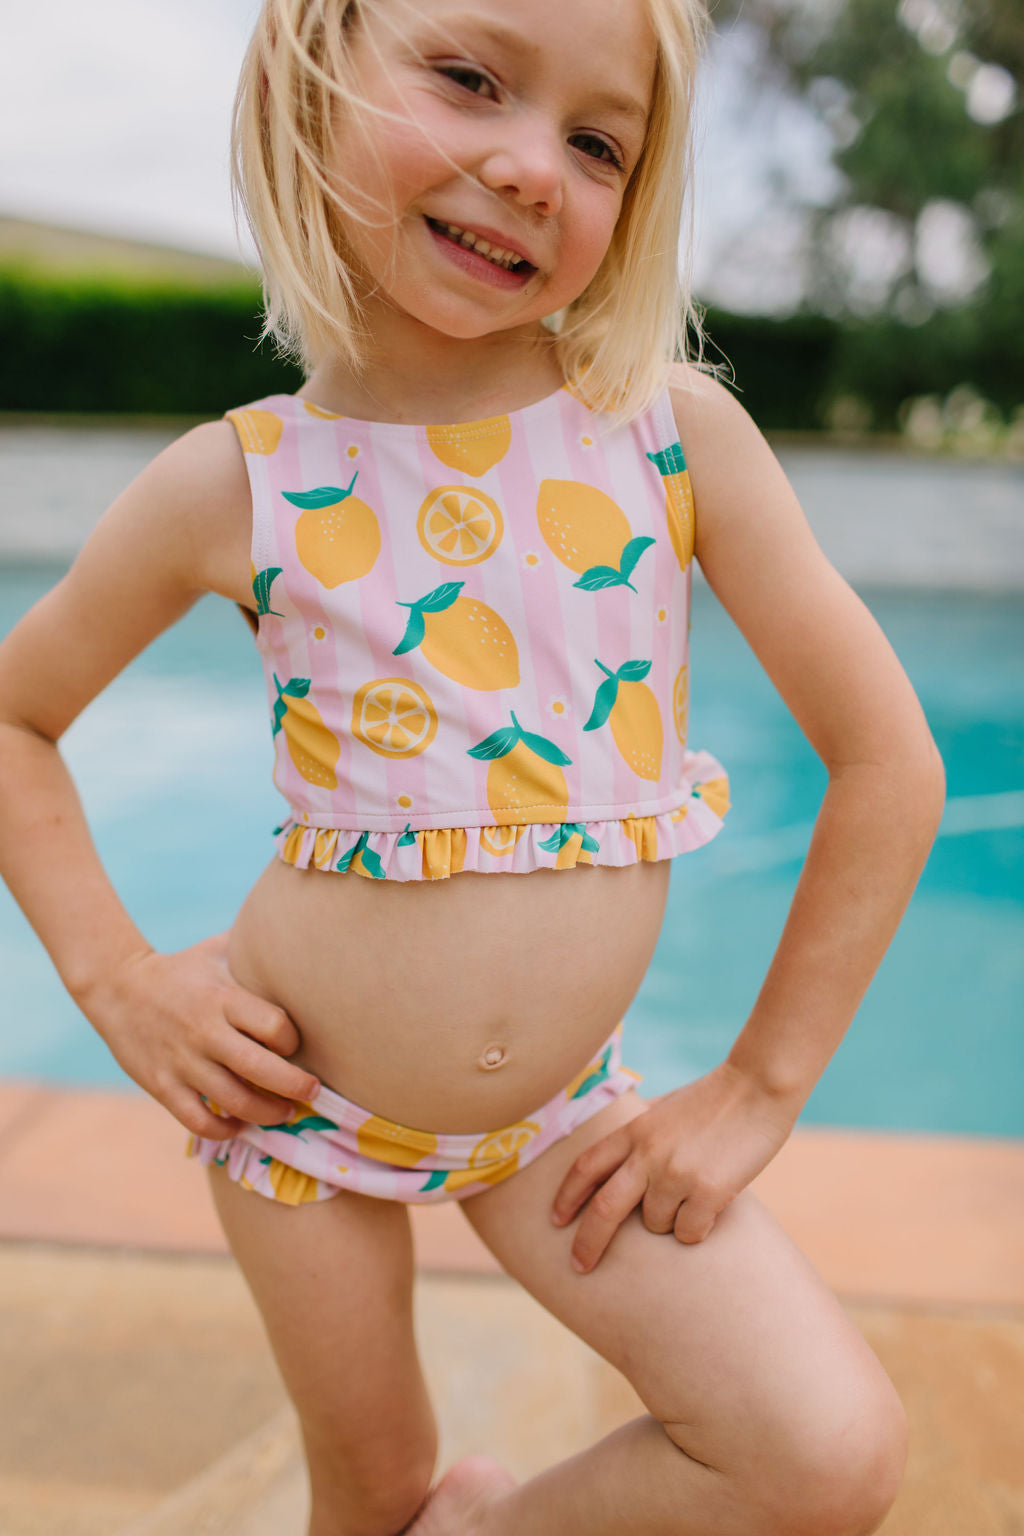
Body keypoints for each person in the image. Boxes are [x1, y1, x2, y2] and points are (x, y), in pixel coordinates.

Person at [0, 0, 946, 1531]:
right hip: (298, 1119)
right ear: (309, 77)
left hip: (568, 1121)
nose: (530, 168)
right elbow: (14, 719)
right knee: (371, 1488)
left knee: (822, 1453)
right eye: (470, 79)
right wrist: (115, 979)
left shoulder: (669, 441)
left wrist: (762, 1084)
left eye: (598, 144)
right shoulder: (238, 486)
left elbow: (889, 762)